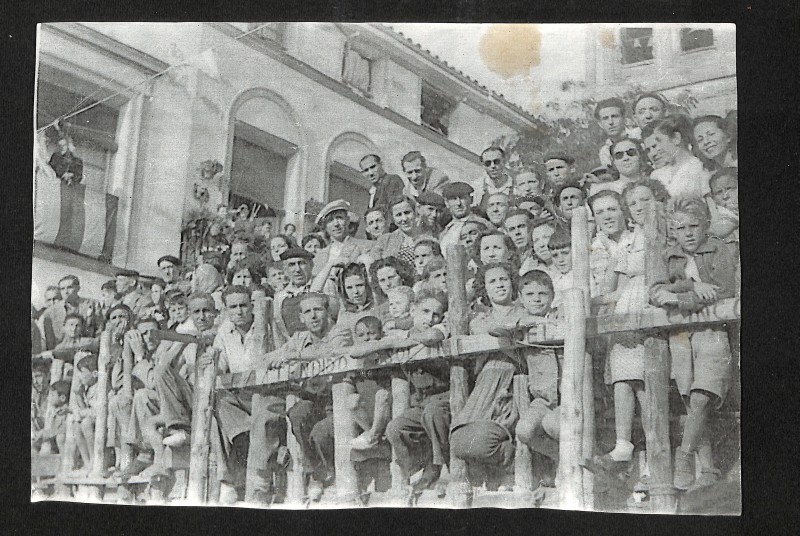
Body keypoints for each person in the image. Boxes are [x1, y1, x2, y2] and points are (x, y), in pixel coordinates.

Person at [649, 196, 737, 491]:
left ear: (706, 226)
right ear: (672, 230)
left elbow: (722, 292)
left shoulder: (718, 248)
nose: (688, 233)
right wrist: (692, 286)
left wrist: (679, 298)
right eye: (680, 227)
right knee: (691, 400)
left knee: (703, 396)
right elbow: (656, 292)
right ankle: (709, 469)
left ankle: (684, 456)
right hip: (680, 335)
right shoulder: (668, 255)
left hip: (712, 330)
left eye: (694, 226)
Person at [259, 292, 353, 501]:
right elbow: (272, 356)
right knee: (298, 413)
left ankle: (327, 474)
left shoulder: (341, 332)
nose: (313, 316)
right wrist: (271, 360)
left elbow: (332, 352)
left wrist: (294, 357)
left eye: (318, 310)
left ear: (328, 313)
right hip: (313, 399)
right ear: (301, 317)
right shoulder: (299, 338)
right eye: (307, 312)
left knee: (321, 432)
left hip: (337, 400)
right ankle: (317, 474)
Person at [451, 262, 525, 490]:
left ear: (512, 282)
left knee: (486, 440)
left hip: (515, 381)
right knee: (460, 442)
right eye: (492, 281)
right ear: (484, 288)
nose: (500, 284)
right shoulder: (478, 322)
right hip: (485, 383)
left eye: (503, 279)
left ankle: (512, 466)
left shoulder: (524, 312)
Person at [384, 288, 451, 503]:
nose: (430, 319)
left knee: (434, 414)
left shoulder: (439, 328)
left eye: (435, 314)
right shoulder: (406, 332)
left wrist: (402, 339)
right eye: (425, 312)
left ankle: (445, 469)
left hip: (445, 396)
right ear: (412, 310)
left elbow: (433, 336)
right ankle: (419, 467)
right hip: (421, 400)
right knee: (395, 428)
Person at [513, 270, 562, 478]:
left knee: (552, 424)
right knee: (524, 430)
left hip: (567, 396)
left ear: (552, 295)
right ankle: (561, 456)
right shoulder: (521, 325)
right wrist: (524, 323)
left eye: (542, 293)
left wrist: (549, 323)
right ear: (521, 299)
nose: (537, 299)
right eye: (530, 295)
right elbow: (498, 330)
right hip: (542, 398)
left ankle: (580, 459)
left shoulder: (561, 317)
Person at [644, 116, 711, 199]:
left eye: (659, 141)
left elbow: (710, 204)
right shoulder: (658, 174)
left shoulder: (698, 168)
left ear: (676, 138)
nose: (658, 148)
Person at [39, 275, 103, 349]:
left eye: (69, 287)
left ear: (78, 288)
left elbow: (99, 330)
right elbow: (49, 340)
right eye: (62, 289)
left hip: (86, 349)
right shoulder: (51, 311)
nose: (66, 292)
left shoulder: (91, 304)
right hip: (61, 351)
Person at [313, 200, 373, 276]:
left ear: (347, 220)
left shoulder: (365, 246)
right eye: (330, 220)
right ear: (325, 226)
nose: (336, 224)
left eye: (339, 218)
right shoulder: (320, 256)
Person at [368, 196, 422, 268]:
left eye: (407, 212)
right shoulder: (385, 241)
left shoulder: (426, 235)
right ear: (393, 219)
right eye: (398, 215)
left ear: (415, 213)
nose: (404, 218)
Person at [439, 182, 493, 251]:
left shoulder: (484, 225)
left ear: (471, 199)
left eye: (462, 198)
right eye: (453, 199)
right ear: (446, 203)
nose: (458, 203)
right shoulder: (445, 233)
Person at [32, 380, 71, 455]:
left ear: (62, 398)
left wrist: (48, 434)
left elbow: (66, 428)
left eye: (52, 395)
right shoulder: (55, 411)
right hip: (54, 441)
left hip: (63, 442)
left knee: (60, 438)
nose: (48, 398)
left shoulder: (66, 410)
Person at [707, 168, 739, 245]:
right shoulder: (724, 212)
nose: (725, 196)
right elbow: (721, 230)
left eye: (729, 188)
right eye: (719, 192)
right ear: (713, 198)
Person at [595, 97, 629, 168]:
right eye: (605, 118)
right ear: (600, 124)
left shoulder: (638, 136)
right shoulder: (605, 152)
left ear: (624, 118)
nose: (610, 122)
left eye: (614, 116)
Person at [503, 208, 537, 275]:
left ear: (532, 228)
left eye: (521, 226)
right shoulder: (507, 261)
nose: (517, 233)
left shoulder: (541, 255)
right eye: (512, 229)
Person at [547, 227, 574, 309]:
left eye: (565, 253)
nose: (561, 260)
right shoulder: (555, 279)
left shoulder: (580, 276)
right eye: (555, 255)